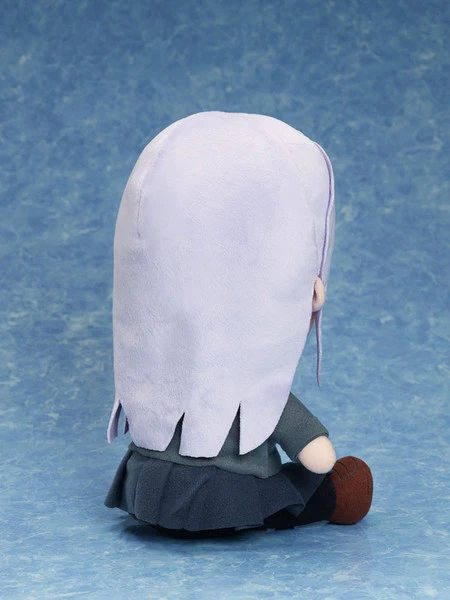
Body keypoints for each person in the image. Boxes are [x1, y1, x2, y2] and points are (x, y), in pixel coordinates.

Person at [105, 112, 373, 537]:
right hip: (224, 499)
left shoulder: (154, 373)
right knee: (326, 484)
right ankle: (326, 501)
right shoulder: (255, 384)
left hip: (143, 488)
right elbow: (320, 457)